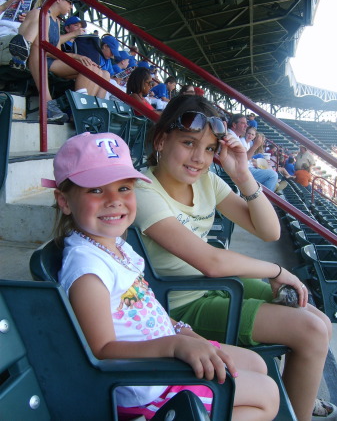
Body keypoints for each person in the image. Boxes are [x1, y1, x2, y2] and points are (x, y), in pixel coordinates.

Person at [43, 131, 280, 420]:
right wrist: (175, 345)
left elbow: (144, 305)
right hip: (147, 385)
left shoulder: (116, 245)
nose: (114, 201)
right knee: (266, 396)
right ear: (64, 201)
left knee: (257, 364)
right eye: (96, 190)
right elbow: (102, 351)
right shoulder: (87, 270)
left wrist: (182, 330)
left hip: (167, 352)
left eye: (124, 188)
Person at [134, 95, 334, 421]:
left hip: (216, 285)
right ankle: (298, 408)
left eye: (210, 148)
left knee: (321, 322)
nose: (199, 157)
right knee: (310, 331)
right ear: (160, 139)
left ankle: (297, 399)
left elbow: (269, 232)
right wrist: (276, 270)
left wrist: (242, 175)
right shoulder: (144, 191)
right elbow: (210, 261)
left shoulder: (207, 180)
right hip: (180, 304)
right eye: (188, 143)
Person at [24, 0, 110, 120]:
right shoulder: (42, 14)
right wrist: (76, 56)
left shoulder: (56, 21)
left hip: (51, 60)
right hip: (41, 59)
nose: (71, 7)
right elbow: (43, 48)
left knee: (101, 72)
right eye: (70, 2)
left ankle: (89, 113)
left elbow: (56, 50)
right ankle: (78, 112)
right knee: (88, 67)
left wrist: (77, 57)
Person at [229, 114, 278, 191]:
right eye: (243, 123)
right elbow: (244, 159)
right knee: (273, 175)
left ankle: (272, 187)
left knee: (269, 169)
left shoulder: (237, 137)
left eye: (246, 123)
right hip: (242, 171)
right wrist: (255, 146)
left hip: (245, 168)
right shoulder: (233, 137)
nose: (246, 125)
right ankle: (264, 199)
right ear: (234, 125)